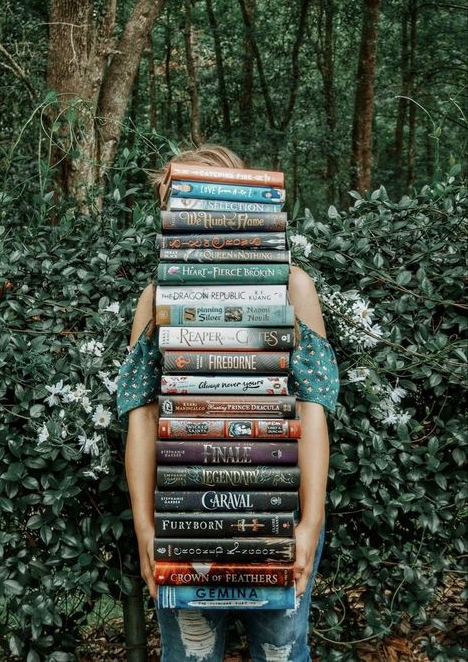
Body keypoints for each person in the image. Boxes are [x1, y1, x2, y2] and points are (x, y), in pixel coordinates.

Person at [117, 144, 340, 662]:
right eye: (181, 211)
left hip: (279, 513)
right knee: (190, 652)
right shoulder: (157, 297)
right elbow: (143, 417)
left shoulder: (292, 286)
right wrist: (146, 529)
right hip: (182, 514)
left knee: (281, 651)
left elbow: (313, 409)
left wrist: (308, 524)